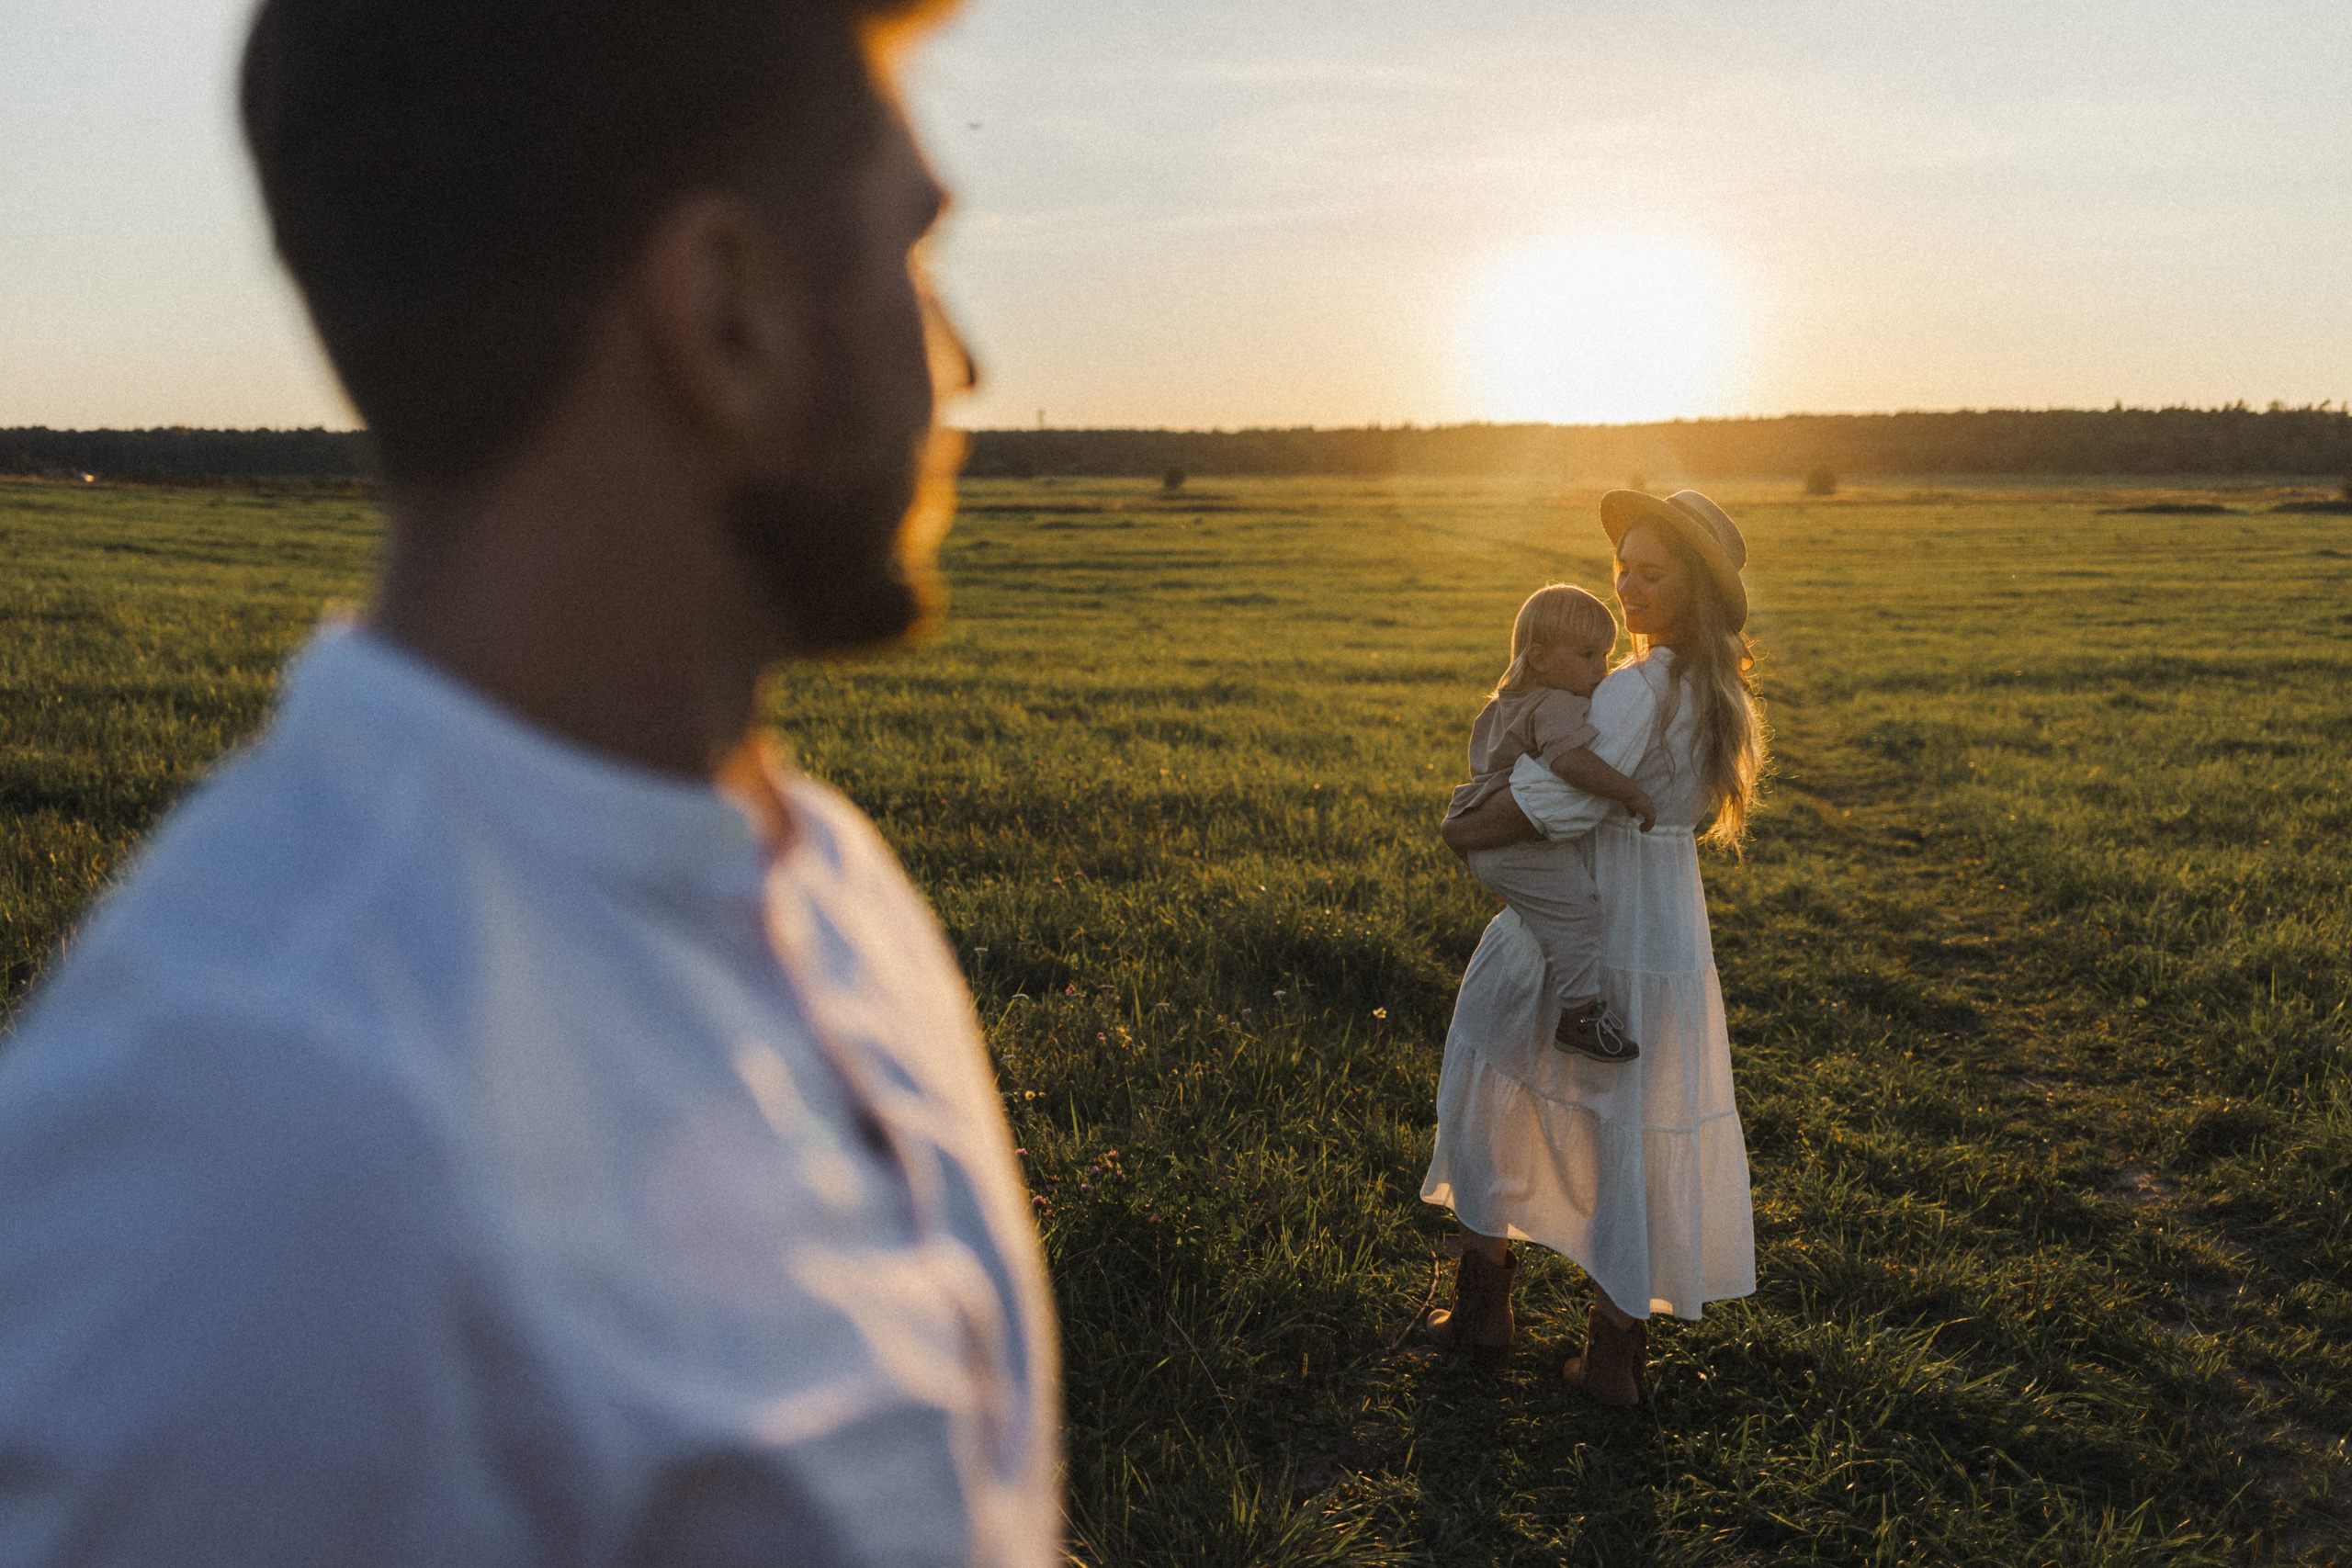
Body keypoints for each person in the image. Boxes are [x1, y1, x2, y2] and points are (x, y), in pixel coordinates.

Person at [0, 2, 1061, 1562]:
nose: (964, 361)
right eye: (912, 253)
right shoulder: (270, 1141)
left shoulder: (823, 868)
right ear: (728, 311)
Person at [1420, 490, 1766, 1404]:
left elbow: (1557, 801)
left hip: (1591, 908)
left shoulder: (1637, 688)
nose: (1628, 586)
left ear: (1696, 589)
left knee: (1486, 1080)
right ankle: (1614, 1360)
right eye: (1623, 567)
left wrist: (1465, 828)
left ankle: (1483, 1316)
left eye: (1653, 573)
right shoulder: (1710, 688)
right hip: (1663, 920)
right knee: (1629, 1131)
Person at [1442, 583, 1655, 1067]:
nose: (1602, 670)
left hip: (1483, 833)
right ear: (1539, 657)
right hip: (1517, 839)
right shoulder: (1554, 703)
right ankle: (1580, 1013)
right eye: (1588, 656)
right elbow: (1570, 761)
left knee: (1555, 916)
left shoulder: (1500, 705)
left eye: (1606, 655)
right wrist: (1629, 791)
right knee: (1581, 913)